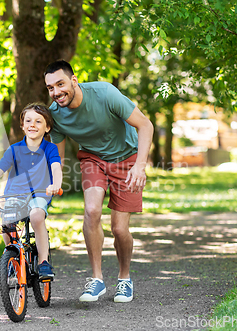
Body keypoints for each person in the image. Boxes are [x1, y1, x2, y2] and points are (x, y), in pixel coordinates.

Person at [44, 60, 153, 302]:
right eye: (50, 88)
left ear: (74, 81)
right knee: (91, 210)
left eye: (60, 84)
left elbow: (145, 125)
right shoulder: (56, 115)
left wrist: (140, 166)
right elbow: (57, 158)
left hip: (127, 158)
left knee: (119, 228)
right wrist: (52, 182)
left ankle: (124, 279)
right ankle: (97, 279)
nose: (56, 92)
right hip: (93, 159)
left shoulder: (105, 94)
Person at [0, 103, 62, 280]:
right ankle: (13, 256)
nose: (32, 124)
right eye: (28, 121)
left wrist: (56, 184)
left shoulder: (50, 149)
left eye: (38, 121)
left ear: (47, 127)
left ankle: (43, 262)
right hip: (14, 194)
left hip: (39, 194)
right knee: (6, 222)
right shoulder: (14, 149)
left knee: (37, 216)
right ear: (22, 125)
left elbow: (56, 168)